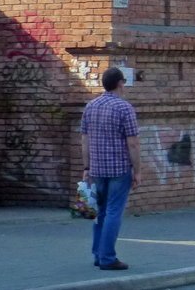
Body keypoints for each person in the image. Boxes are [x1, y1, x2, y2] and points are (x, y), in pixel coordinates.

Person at [80, 66, 141, 270]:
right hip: (119, 169)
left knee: (101, 212)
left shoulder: (91, 106)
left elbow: (84, 140)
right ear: (120, 83)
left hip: (97, 169)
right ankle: (107, 258)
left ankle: (98, 254)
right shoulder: (124, 108)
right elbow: (133, 143)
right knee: (114, 212)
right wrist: (137, 171)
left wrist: (87, 167)